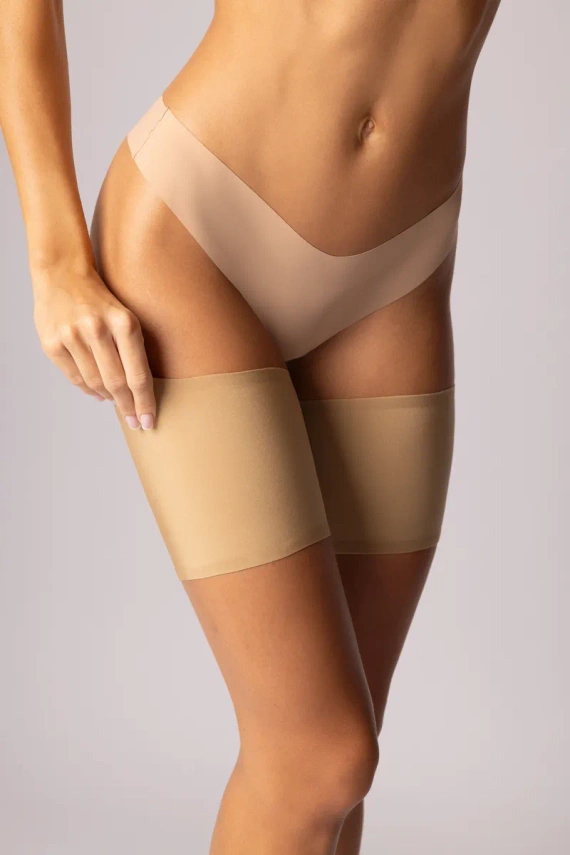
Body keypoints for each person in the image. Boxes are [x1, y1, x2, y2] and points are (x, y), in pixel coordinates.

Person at [0, 2, 502, 853]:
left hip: (401, 267)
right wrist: (54, 257)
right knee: (319, 755)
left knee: (338, 774)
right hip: (199, 231)